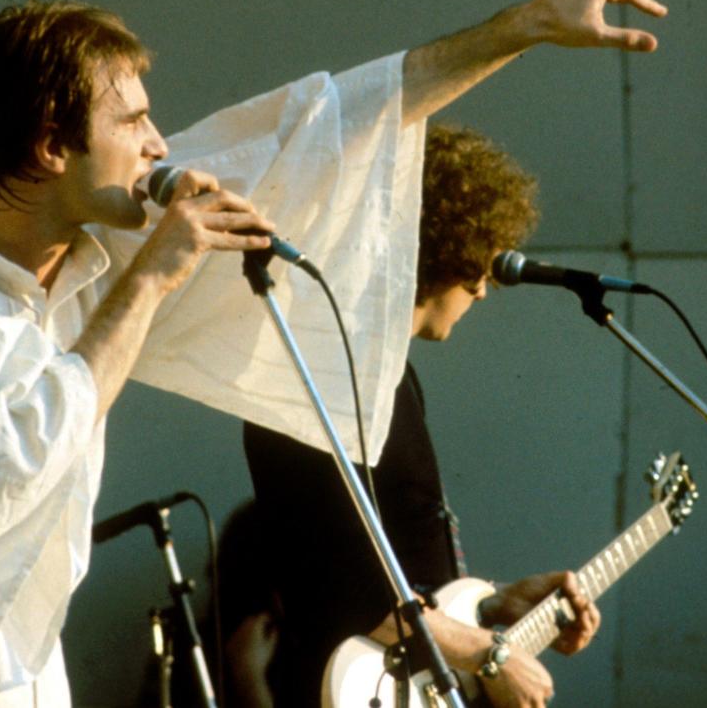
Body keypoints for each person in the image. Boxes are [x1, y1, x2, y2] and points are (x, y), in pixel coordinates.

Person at [0, 0, 675, 706]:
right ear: (49, 145)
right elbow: (2, 464)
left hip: (38, 683)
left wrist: (521, 26)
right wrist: (148, 283)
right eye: (136, 120)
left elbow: (327, 127)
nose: (160, 145)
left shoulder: (98, 253)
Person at [244, 124, 598, 708]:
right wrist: (492, 654)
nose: (482, 291)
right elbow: (351, 589)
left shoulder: (391, 375)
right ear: (441, 248)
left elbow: (400, 572)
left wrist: (497, 603)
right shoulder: (324, 374)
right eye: (477, 268)